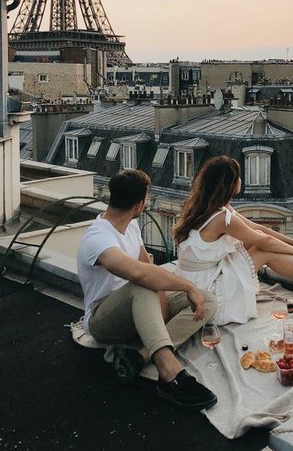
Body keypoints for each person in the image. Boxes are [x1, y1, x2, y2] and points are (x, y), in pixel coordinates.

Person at [77, 169, 217, 410]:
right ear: (140, 204)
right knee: (141, 286)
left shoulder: (131, 227)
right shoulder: (97, 237)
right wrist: (187, 285)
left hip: (140, 305)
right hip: (104, 319)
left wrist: (166, 302)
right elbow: (139, 275)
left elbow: (147, 266)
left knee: (208, 300)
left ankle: (140, 355)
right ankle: (169, 373)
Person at [173, 156, 293, 325]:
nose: (241, 180)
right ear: (230, 184)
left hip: (196, 281)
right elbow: (265, 241)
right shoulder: (222, 218)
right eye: (239, 176)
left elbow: (258, 229)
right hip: (207, 291)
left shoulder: (203, 206)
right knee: (264, 251)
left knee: (258, 245)